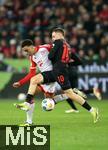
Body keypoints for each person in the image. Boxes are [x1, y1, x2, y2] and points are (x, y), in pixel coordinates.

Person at [13, 36, 99, 124]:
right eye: (24, 51)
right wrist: (20, 83)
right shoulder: (32, 58)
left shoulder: (45, 48)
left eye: (27, 50)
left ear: (32, 46)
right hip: (46, 79)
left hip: (53, 73)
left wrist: (67, 60)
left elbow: (61, 50)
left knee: (34, 80)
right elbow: (31, 73)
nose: (26, 53)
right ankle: (90, 108)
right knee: (50, 100)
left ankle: (27, 105)